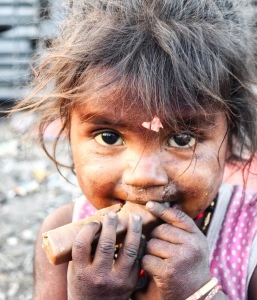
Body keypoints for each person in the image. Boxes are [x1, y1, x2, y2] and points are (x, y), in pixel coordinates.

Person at [13, 0, 257, 299]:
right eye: (109, 137)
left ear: (232, 135)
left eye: (182, 139)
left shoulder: (250, 236)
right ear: (69, 130)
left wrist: (199, 292)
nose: (143, 177)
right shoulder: (66, 235)